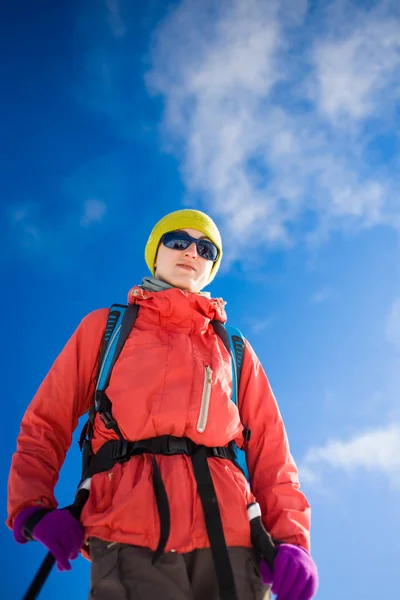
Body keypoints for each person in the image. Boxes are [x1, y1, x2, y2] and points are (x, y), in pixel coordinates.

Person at [7, 209, 318, 600]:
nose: (191, 251)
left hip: (231, 543)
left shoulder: (233, 349)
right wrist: (32, 507)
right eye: (177, 241)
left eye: (206, 248)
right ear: (155, 253)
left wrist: (291, 541)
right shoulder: (107, 328)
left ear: (211, 269)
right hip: (128, 531)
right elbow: (45, 421)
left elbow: (271, 453)